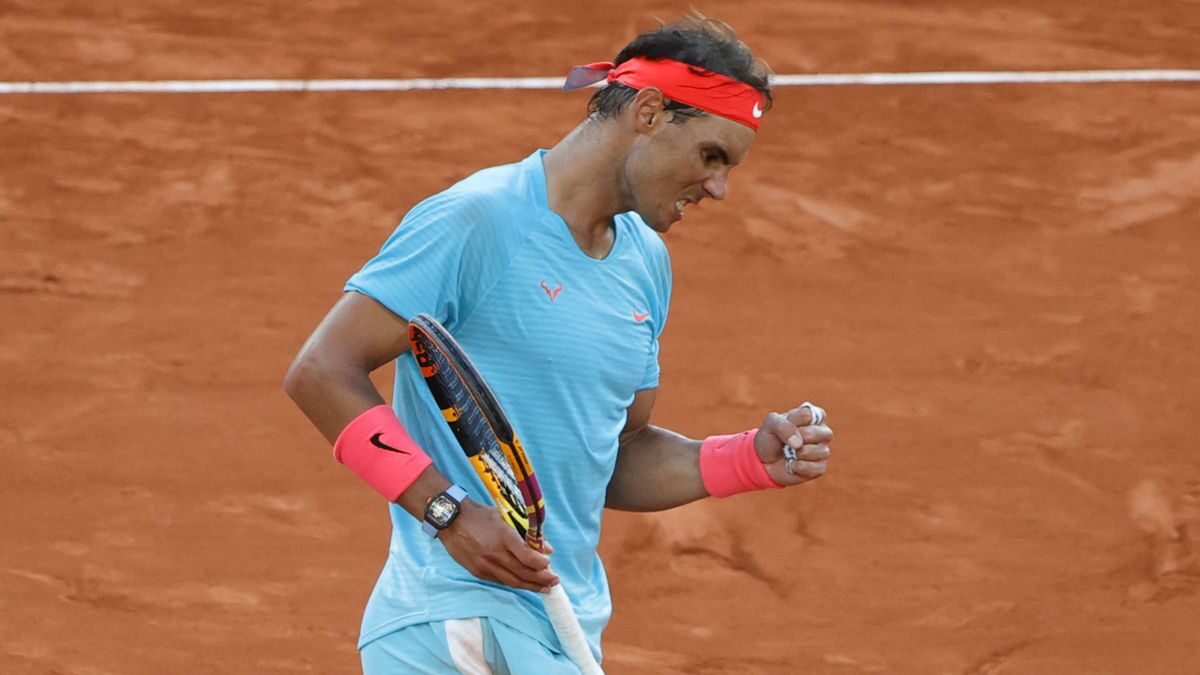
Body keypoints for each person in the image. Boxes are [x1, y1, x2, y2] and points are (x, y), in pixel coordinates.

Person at [284, 14, 833, 674]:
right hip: (456, 621)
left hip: (559, 623)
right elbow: (322, 370)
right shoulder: (479, 219)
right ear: (650, 113)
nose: (718, 187)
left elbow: (616, 454)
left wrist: (746, 458)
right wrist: (447, 512)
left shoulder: (645, 264)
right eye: (711, 156)